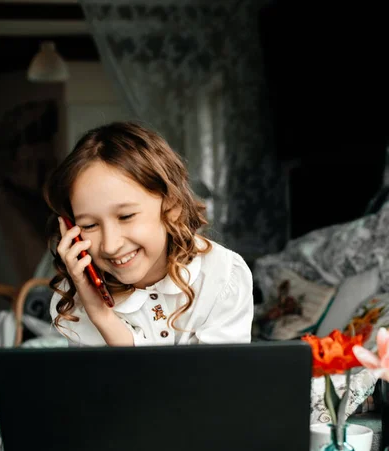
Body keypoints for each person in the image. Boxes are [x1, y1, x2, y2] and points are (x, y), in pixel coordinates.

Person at [45, 121, 254, 346]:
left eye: (126, 217)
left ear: (171, 207)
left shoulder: (222, 274)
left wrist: (105, 319)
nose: (110, 245)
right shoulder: (75, 300)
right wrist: (98, 313)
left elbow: (215, 380)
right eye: (89, 225)